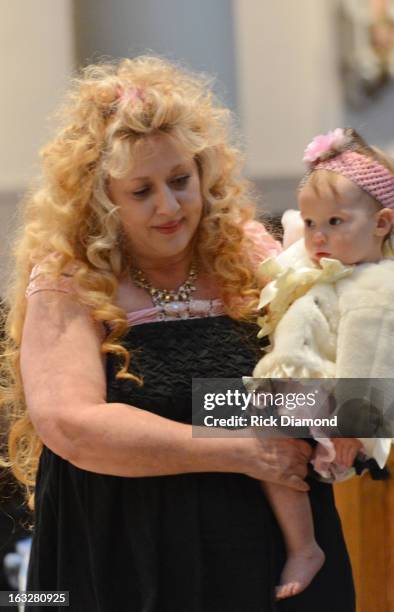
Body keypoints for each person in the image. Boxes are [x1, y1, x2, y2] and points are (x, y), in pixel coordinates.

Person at [0, 57, 356, 611]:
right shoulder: (68, 277)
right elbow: (71, 425)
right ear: (101, 199)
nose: (169, 207)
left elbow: (348, 395)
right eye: (141, 191)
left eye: (180, 180)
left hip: (272, 555)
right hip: (125, 552)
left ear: (204, 171)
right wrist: (240, 441)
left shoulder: (251, 251)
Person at [252, 127, 394, 600]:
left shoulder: (378, 289)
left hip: (337, 408)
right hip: (306, 392)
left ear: (380, 224)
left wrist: (353, 427)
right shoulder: (326, 267)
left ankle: (304, 546)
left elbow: (374, 361)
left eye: (335, 222)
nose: (319, 236)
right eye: (313, 224)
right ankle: (302, 544)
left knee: (250, 430)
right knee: (257, 441)